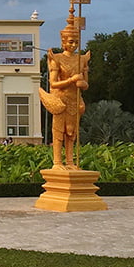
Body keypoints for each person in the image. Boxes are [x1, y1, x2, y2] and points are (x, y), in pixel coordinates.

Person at [39, 10, 89, 169]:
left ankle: (70, 161)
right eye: (70, 42)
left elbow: (86, 84)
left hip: (75, 100)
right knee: (58, 132)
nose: (73, 45)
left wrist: (82, 84)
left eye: (76, 42)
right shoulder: (57, 59)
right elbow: (53, 83)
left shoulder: (81, 59)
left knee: (71, 133)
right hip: (61, 99)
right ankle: (57, 162)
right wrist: (71, 80)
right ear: (63, 41)